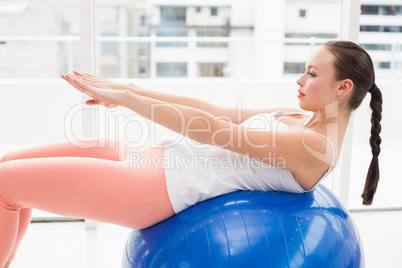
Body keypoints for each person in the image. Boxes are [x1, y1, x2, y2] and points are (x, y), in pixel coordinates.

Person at [0, 40, 382, 268]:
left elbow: (213, 131)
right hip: (153, 155)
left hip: (156, 187)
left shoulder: (315, 149)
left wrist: (129, 100)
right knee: (6, 169)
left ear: (342, 87)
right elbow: (212, 110)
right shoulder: (298, 119)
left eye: (313, 74)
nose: (300, 80)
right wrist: (128, 88)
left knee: (4, 187)